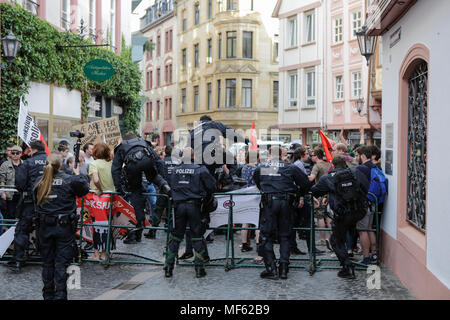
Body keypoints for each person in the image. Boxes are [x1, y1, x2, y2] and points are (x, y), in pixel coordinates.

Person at [34, 153, 89, 300]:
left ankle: (48, 295)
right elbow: (84, 189)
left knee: (47, 263)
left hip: (45, 227)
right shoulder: (69, 180)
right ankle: (60, 296)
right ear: (61, 166)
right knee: (60, 263)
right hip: (63, 228)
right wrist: (78, 174)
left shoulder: (39, 181)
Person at [253, 146, 312, 280]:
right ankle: (284, 268)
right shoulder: (290, 167)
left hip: (269, 203)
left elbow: (257, 182)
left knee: (266, 236)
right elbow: (305, 183)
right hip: (286, 203)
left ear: (269, 154)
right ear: (281, 155)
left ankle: (272, 268)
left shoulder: (261, 167)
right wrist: (298, 194)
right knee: (285, 235)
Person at [311, 155, 369, 279]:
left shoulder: (327, 177)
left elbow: (315, 191)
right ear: (345, 164)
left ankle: (347, 267)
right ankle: (351, 249)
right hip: (359, 211)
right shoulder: (356, 172)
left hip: (342, 214)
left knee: (336, 240)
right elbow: (366, 187)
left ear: (332, 165)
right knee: (351, 231)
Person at [164, 147, 216, 278]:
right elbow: (212, 187)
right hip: (195, 206)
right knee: (197, 236)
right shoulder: (200, 169)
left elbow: (172, 187)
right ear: (194, 156)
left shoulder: (175, 171)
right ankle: (199, 269)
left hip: (179, 207)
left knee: (176, 236)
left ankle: (168, 268)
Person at [111, 132, 170, 244]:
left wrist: (118, 187)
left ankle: (137, 231)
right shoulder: (143, 142)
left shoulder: (122, 146)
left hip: (132, 166)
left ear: (125, 139)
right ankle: (165, 186)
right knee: (153, 176)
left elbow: (115, 169)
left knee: (136, 195)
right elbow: (158, 161)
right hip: (147, 160)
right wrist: (163, 179)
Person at [8, 140, 48, 273]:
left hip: (31, 202)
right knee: (47, 229)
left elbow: (19, 184)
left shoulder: (28, 163)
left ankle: (19, 260)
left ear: (33, 150)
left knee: (22, 230)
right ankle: (47, 259)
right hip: (50, 203)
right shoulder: (51, 161)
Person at [145, 145, 178, 239]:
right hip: (174, 190)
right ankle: (172, 231)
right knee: (173, 211)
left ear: (165, 152)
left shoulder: (162, 162)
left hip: (164, 189)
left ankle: (153, 231)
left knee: (158, 211)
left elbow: (158, 175)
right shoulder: (177, 163)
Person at [355, 146, 378, 265]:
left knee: (362, 230)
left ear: (363, 156)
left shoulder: (361, 168)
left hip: (363, 203)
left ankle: (366, 257)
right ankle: (374, 254)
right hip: (372, 202)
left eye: (357, 155)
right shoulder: (374, 166)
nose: (356, 158)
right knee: (369, 229)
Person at [309, 148, 332, 250]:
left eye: (312, 155)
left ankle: (323, 240)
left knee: (319, 216)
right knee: (329, 216)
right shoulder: (328, 164)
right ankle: (331, 238)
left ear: (316, 156)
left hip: (320, 194)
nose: (311, 157)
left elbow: (311, 178)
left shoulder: (317, 166)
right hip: (330, 193)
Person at [239, 150, 259, 255]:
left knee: (245, 220)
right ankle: (258, 244)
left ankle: (244, 244)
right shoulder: (256, 169)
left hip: (244, 194)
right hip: (254, 195)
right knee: (256, 221)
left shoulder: (244, 168)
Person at [0, 145, 23, 220]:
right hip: (10, 194)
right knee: (10, 213)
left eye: (17, 153)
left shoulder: (25, 164)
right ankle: (10, 228)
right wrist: (3, 192)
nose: (15, 155)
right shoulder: (5, 165)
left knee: (21, 213)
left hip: (22, 193)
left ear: (21, 154)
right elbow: (2, 179)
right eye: (13, 153)